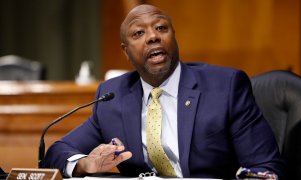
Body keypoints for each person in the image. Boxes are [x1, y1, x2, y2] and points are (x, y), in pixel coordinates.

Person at [45, 4, 284, 179]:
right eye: (139, 33)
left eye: (161, 28)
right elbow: (58, 151)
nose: (153, 37)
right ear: (126, 52)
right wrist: (86, 164)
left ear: (173, 37)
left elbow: (266, 167)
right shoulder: (113, 96)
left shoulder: (225, 86)